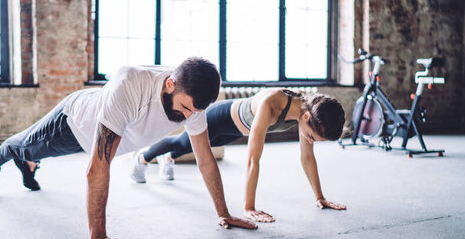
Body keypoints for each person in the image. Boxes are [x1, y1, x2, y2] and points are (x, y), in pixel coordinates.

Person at [0, 57, 257, 239]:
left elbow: (205, 158)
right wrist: (97, 236)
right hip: (73, 125)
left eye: (193, 113)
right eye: (184, 109)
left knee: (33, 155)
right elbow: (97, 167)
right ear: (170, 84)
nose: (187, 118)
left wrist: (224, 213)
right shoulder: (132, 85)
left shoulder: (192, 103)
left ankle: (30, 166)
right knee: (23, 146)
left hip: (99, 128)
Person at [132, 88, 347, 222]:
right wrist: (249, 207)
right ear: (307, 117)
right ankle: (142, 159)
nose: (309, 141)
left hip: (235, 130)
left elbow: (307, 157)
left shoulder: (308, 114)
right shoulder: (271, 104)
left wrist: (320, 197)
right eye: (311, 136)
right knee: (182, 142)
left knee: (191, 148)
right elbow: (253, 159)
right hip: (220, 118)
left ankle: (168, 158)